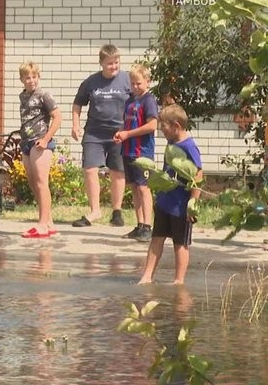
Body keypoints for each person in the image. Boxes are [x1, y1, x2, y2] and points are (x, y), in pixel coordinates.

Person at [138, 104, 202, 285]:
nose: (161, 131)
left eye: (163, 127)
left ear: (176, 126)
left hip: (181, 205)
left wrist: (193, 203)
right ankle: (147, 276)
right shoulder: (171, 143)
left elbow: (198, 175)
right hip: (165, 201)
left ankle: (178, 280)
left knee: (180, 243)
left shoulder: (189, 147)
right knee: (156, 238)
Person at [71, 44, 130, 228]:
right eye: (109, 63)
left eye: (116, 62)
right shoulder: (91, 82)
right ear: (101, 63)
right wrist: (75, 125)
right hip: (94, 133)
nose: (114, 66)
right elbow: (77, 104)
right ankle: (95, 211)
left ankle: (117, 211)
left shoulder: (127, 80)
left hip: (119, 133)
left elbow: (140, 99)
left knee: (117, 171)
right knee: (90, 169)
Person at [113, 64, 158, 242]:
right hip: (128, 150)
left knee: (143, 187)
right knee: (134, 187)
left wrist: (128, 134)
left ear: (148, 82)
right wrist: (121, 133)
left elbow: (152, 125)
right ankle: (139, 225)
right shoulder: (130, 100)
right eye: (132, 83)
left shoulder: (149, 101)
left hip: (142, 152)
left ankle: (148, 225)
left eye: (139, 83)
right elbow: (128, 123)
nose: (135, 87)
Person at [17, 61, 61, 238]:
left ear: (38, 77)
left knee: (42, 182)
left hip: (40, 142)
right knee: (33, 183)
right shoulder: (23, 96)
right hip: (26, 143)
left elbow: (57, 117)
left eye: (34, 76)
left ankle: (42, 224)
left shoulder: (44, 95)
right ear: (21, 79)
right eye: (27, 77)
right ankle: (48, 222)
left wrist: (45, 139)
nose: (31, 80)